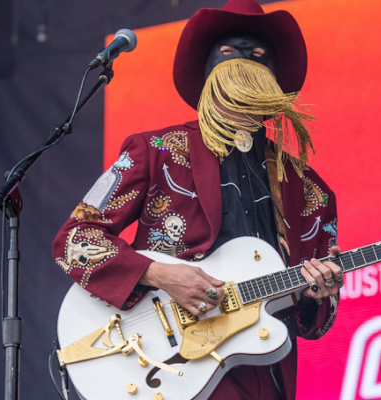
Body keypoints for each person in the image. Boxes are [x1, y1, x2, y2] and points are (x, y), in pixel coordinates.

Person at [52, 0, 342, 398]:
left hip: (262, 373)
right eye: (228, 52)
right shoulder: (155, 150)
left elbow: (316, 323)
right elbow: (74, 240)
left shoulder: (311, 190)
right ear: (207, 73)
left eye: (259, 57)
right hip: (164, 364)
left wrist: (315, 294)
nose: (243, 62)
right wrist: (158, 274)